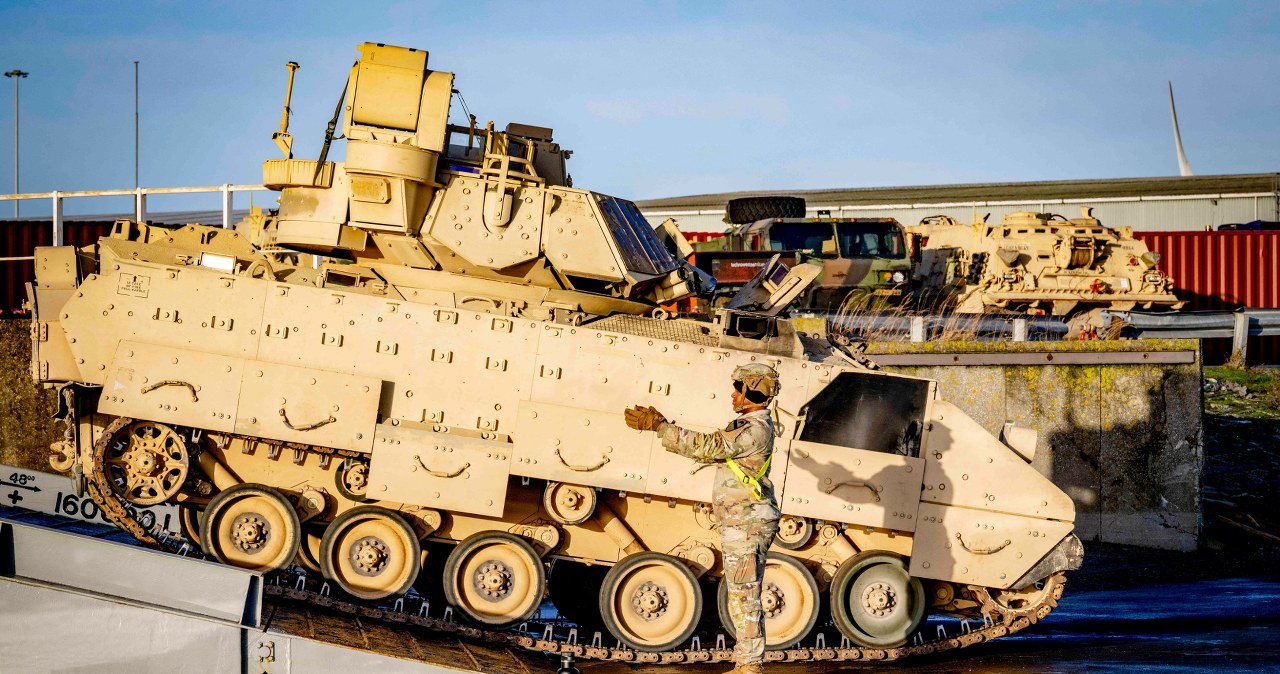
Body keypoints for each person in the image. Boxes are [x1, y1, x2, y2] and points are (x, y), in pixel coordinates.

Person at [624, 363, 782, 674]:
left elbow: (708, 446)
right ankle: (748, 661)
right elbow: (707, 450)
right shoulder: (749, 426)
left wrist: (660, 427)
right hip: (743, 520)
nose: (733, 394)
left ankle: (750, 665)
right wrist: (664, 426)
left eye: (739, 388)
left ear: (753, 390)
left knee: (743, 592)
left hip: (746, 522)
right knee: (741, 591)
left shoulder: (754, 429)